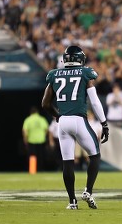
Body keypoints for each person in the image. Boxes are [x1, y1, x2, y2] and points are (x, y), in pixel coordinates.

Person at [42, 45, 109, 210]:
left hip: (63, 122)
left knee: (68, 162)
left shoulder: (54, 74)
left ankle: (72, 202)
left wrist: (57, 115)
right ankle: (88, 191)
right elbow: (94, 101)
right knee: (95, 156)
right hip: (79, 120)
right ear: (80, 59)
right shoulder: (85, 73)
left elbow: (45, 103)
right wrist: (104, 123)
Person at [22, 106, 49, 172]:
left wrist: (25, 139)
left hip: (31, 140)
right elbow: (46, 129)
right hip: (41, 140)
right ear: (37, 112)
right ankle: (40, 169)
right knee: (41, 156)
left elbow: (24, 130)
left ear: (31, 112)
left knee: (32, 156)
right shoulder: (41, 119)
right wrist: (44, 136)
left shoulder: (28, 120)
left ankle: (33, 169)